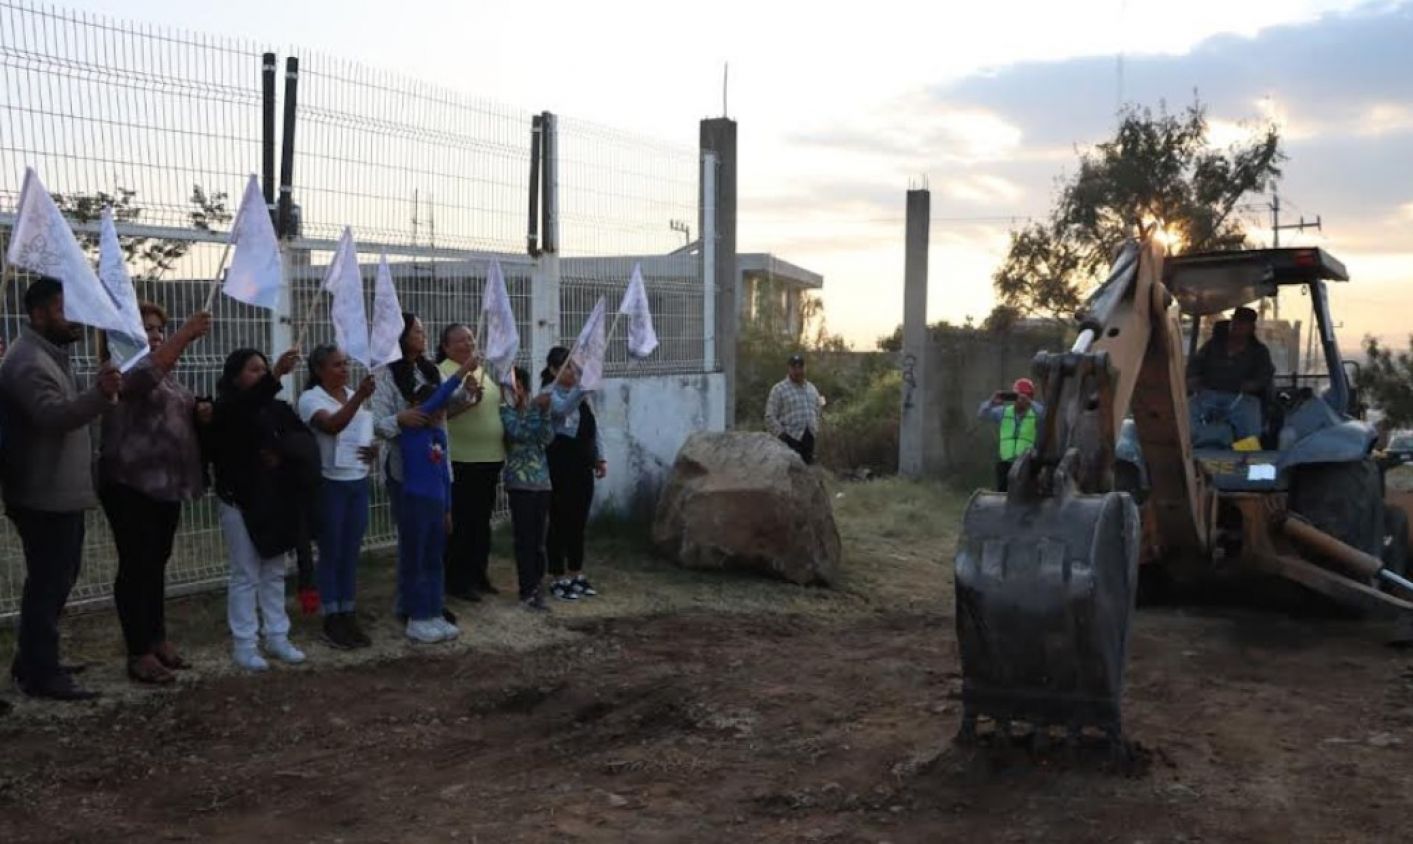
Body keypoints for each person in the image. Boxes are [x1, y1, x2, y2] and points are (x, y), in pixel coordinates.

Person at [0, 277, 121, 700]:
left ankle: (32, 661)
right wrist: (100, 396)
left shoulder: (48, 355)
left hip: (58, 491)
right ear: (37, 314)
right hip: (42, 493)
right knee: (48, 582)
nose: (74, 318)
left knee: (56, 579)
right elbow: (51, 416)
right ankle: (41, 674)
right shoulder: (28, 361)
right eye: (63, 309)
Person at [98, 303, 212, 685]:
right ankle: (138, 652)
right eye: (147, 329)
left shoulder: (167, 375)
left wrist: (200, 411)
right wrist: (184, 335)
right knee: (137, 566)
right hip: (130, 484)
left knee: (155, 564)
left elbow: (177, 405)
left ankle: (156, 638)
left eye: (160, 329)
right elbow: (141, 382)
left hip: (166, 486)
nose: (156, 335)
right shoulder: (123, 371)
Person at [204, 347, 316, 672]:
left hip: (275, 499)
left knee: (274, 571)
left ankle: (277, 636)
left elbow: (302, 438)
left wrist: (282, 453)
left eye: (263, 369)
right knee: (245, 573)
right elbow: (239, 418)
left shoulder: (276, 408)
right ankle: (244, 643)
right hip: (239, 500)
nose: (261, 375)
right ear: (236, 375)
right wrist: (276, 375)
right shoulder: (224, 408)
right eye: (254, 370)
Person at [370, 312, 470, 626]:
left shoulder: (431, 371)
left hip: (436, 460)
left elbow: (443, 405)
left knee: (435, 541)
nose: (422, 336)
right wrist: (401, 419)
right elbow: (378, 424)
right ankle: (408, 603)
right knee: (412, 540)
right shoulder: (385, 374)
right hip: (405, 468)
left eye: (424, 331)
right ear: (400, 336)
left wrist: (465, 397)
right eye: (416, 331)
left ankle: (432, 602)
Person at [297, 345, 379, 650]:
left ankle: (348, 609)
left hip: (356, 480)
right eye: (336, 365)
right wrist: (358, 397)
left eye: (345, 364)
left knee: (351, 550)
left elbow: (358, 428)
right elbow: (331, 426)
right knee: (332, 550)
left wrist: (371, 448)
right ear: (319, 370)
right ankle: (331, 616)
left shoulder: (348, 392)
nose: (344, 370)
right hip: (330, 483)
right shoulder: (311, 399)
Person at [397, 353, 476, 644]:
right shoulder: (411, 431)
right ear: (416, 407)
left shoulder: (438, 437)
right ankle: (416, 617)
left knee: (434, 561)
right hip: (416, 503)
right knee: (417, 560)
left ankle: (433, 613)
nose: (439, 413)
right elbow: (437, 397)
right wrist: (460, 374)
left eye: (443, 410)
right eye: (435, 408)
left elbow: (444, 474)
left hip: (435, 505)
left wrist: (447, 510)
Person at [436, 323, 503, 602]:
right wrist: (465, 399)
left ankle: (479, 573)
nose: (468, 343)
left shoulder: (481, 371)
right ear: (447, 347)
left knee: (481, 522)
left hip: (490, 457)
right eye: (461, 340)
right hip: (461, 459)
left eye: (471, 339)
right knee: (462, 523)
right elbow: (439, 413)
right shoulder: (442, 372)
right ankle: (458, 580)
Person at [542, 347, 606, 601]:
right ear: (553, 370)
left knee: (578, 521)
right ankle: (557, 576)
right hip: (560, 465)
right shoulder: (548, 395)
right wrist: (583, 388)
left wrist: (599, 456)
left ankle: (576, 571)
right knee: (559, 519)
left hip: (582, 465)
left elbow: (594, 428)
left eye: (576, 368)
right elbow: (561, 411)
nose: (574, 372)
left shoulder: (581, 397)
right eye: (568, 367)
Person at [501, 367, 555, 612]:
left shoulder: (537, 411)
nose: (516, 392)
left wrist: (542, 413)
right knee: (525, 539)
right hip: (520, 484)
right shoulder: (506, 412)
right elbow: (519, 433)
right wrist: (535, 409)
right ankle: (527, 589)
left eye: (519, 386)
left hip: (542, 482)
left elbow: (545, 437)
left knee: (539, 542)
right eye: (511, 387)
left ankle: (537, 587)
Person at [1186, 306, 1275, 443]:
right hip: (1208, 394)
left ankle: (1247, 456)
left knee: (1251, 412)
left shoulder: (1259, 352)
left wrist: (1253, 385)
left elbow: (1264, 376)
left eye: (1243, 324)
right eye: (1235, 322)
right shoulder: (1212, 346)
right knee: (1188, 408)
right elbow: (1194, 365)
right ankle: (1190, 448)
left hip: (1241, 397)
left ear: (1251, 328)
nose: (1238, 326)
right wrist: (1193, 379)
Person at [977, 378, 1047, 493]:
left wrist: (1029, 402)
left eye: (1024, 397)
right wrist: (991, 402)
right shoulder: (1003, 412)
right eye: (1017, 397)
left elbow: (1046, 415)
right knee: (1003, 497)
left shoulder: (1035, 414)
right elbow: (982, 414)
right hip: (1005, 464)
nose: (1019, 401)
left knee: (1025, 497)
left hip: (1027, 464)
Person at [765, 353, 824, 465]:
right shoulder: (779, 389)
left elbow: (818, 409)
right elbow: (769, 416)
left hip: (809, 439)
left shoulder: (812, 389)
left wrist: (815, 428)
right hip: (789, 440)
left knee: (806, 476)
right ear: (789, 369)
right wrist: (782, 435)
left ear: (805, 368)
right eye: (794, 367)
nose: (797, 371)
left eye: (800, 367)